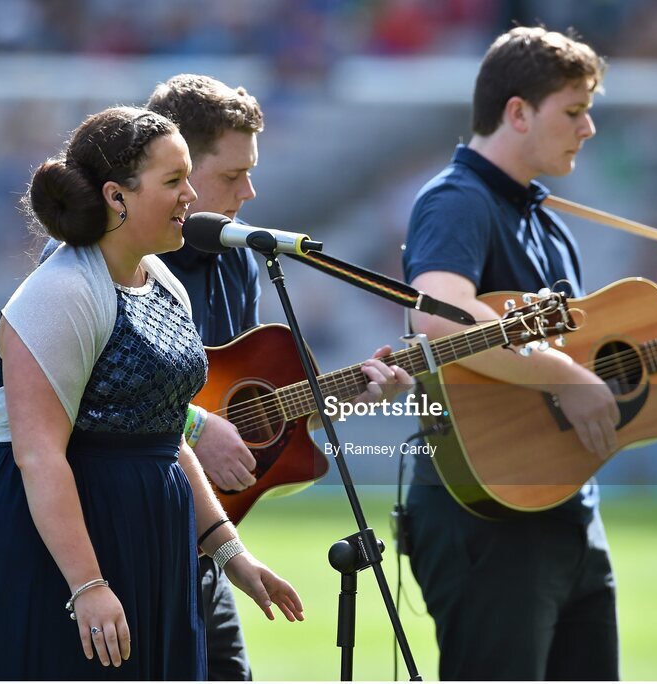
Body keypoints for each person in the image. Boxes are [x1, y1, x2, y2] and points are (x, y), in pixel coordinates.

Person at [400, 27, 657, 680]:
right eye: (573, 111)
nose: (590, 128)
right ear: (517, 112)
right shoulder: (457, 200)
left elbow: (598, 382)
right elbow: (438, 318)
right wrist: (568, 374)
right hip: (488, 521)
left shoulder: (549, 226)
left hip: (566, 512)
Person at [42, 74, 411, 680]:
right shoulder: (100, 260)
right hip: (118, 541)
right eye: (231, 175)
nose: (250, 190)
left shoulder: (237, 260)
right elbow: (92, 401)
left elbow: (248, 413)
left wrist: (347, 397)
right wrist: (196, 422)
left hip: (204, 542)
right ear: (171, 162)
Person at [0, 106, 303, 681]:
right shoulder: (62, 291)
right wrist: (88, 585)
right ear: (116, 196)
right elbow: (39, 454)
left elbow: (164, 429)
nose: (189, 197)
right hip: (52, 549)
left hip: (150, 539)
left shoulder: (163, 282)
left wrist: (231, 555)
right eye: (173, 182)